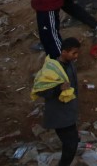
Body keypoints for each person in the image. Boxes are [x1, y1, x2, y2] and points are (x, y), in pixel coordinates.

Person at [32, 37, 81, 166]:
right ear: (64, 52)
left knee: (73, 141)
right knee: (71, 145)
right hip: (59, 115)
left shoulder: (70, 65)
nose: (76, 56)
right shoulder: (52, 70)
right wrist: (58, 89)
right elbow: (40, 90)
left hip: (69, 113)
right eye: (73, 53)